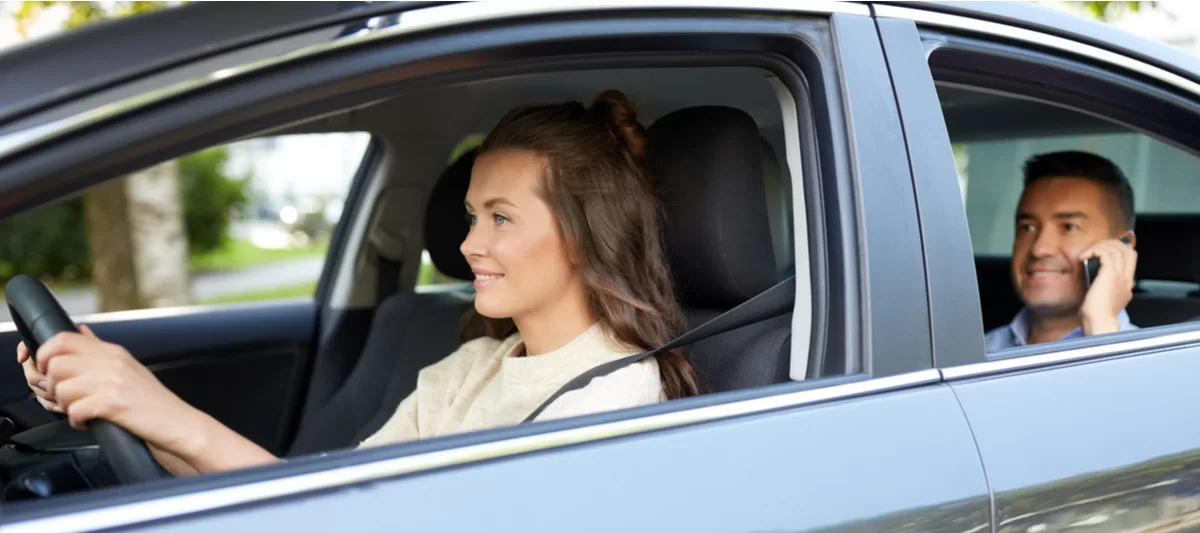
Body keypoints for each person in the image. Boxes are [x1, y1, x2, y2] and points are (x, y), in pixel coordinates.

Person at [15, 90, 700, 476]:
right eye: (470, 216)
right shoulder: (470, 368)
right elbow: (325, 503)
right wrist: (120, 405)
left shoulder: (614, 399)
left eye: (500, 218)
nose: (467, 245)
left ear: (584, 234)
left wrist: (152, 404)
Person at [986, 150, 1139, 352]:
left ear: (1122, 246)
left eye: (1069, 227)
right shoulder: (978, 353)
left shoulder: (1165, 366)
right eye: (1028, 227)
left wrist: (1101, 326)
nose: (1039, 249)